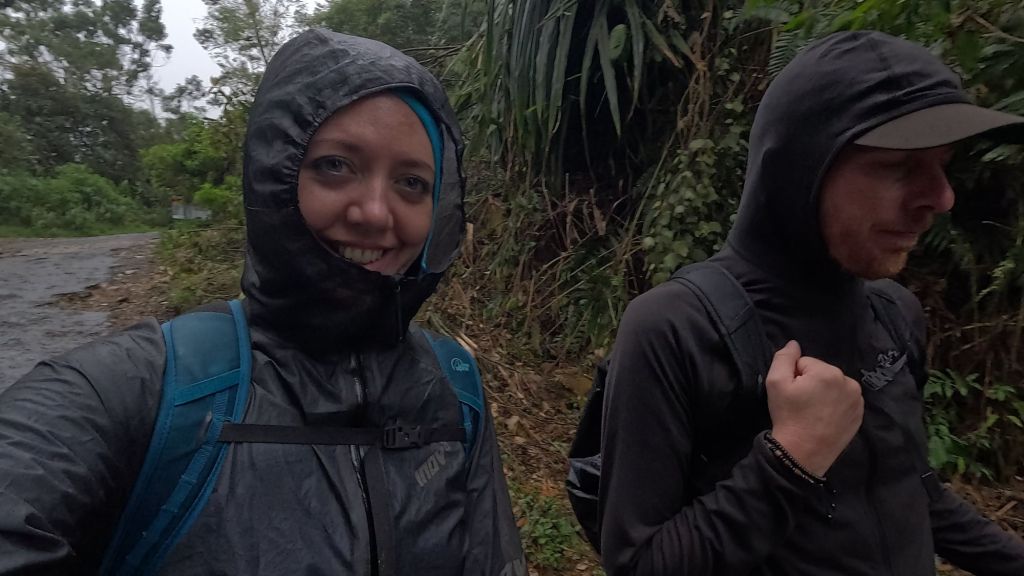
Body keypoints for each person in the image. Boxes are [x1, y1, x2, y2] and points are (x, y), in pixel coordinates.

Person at [0, 29, 526, 576]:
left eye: (412, 183)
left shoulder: (455, 389)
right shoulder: (141, 388)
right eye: (336, 166)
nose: (375, 212)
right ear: (272, 172)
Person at [597, 30, 1024, 576]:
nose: (942, 197)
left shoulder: (894, 314)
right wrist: (792, 458)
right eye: (899, 167)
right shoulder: (675, 329)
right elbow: (636, 564)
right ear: (801, 169)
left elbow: (913, 493)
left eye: (944, 164)